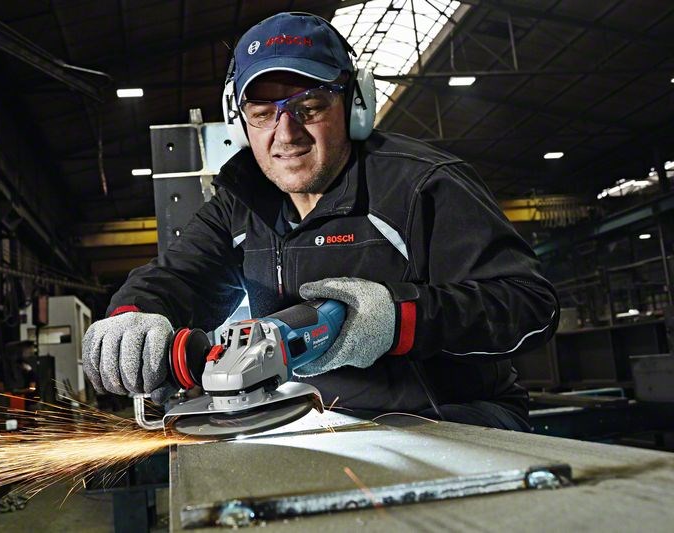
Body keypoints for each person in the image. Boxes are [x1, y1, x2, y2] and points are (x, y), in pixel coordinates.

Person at [82, 12, 559, 431]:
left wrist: (398, 319)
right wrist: (134, 317)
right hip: (315, 422)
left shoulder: (423, 185)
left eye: (308, 108)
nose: (286, 134)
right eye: (262, 114)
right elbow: (179, 277)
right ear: (238, 122)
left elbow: (530, 306)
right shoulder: (240, 204)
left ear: (354, 104)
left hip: (449, 418)